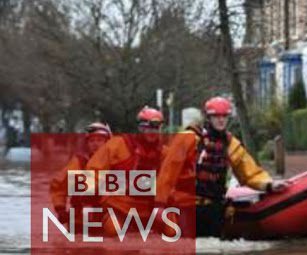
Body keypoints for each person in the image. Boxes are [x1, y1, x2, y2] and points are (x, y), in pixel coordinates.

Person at [155, 96, 289, 238]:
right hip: (186, 207)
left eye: (224, 116)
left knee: (212, 251)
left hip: (214, 208)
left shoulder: (231, 144)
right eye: (216, 116)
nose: (221, 120)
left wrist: (269, 184)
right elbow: (168, 173)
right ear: (208, 117)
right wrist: (159, 203)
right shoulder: (188, 139)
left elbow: (249, 172)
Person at [86, 107, 170, 237]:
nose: (151, 132)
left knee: (173, 230)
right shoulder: (118, 145)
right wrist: (90, 200)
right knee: (114, 230)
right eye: (147, 128)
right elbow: (93, 172)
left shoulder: (165, 154)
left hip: (149, 210)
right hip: (119, 207)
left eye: (155, 128)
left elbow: (173, 181)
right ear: (139, 128)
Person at [50, 122, 112, 229]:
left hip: (107, 218)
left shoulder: (117, 164)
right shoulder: (79, 163)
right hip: (80, 219)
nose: (95, 144)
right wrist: (60, 209)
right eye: (91, 140)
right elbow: (59, 186)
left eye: (99, 140)